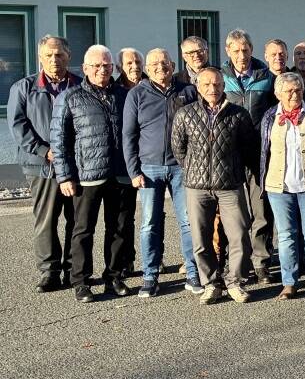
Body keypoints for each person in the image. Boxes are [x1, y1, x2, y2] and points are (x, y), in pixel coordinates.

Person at [49, 45, 132, 303]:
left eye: (106, 66)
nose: (102, 70)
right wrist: (64, 176)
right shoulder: (71, 97)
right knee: (83, 230)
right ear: (85, 68)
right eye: (96, 66)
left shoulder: (124, 95)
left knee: (119, 229)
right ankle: (81, 281)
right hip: (87, 176)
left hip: (120, 174)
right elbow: (59, 140)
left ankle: (114, 277)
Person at [170, 67, 258, 305]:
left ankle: (235, 282)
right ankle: (211, 283)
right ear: (198, 86)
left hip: (229, 184)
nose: (213, 89)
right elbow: (179, 149)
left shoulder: (238, 114)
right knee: (201, 238)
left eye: (217, 84)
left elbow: (249, 147)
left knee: (239, 234)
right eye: (207, 85)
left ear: (224, 86)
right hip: (197, 186)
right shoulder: (185, 114)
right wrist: (194, 169)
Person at [123, 48, 200, 297]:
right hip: (149, 168)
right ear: (147, 67)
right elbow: (129, 135)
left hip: (182, 167)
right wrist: (134, 170)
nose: (160, 67)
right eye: (154, 63)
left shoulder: (187, 91)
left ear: (172, 64)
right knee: (149, 224)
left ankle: (193, 273)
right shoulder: (137, 94)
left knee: (188, 222)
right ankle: (150, 275)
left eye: (165, 63)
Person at [8, 35, 81, 291]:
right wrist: (44, 150)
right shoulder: (24, 87)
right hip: (41, 164)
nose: (54, 60)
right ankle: (49, 271)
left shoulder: (80, 86)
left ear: (68, 56)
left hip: (75, 166)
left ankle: (74, 270)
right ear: (40, 57)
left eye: (59, 54)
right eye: (49, 55)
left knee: (76, 219)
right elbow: (18, 126)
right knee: (46, 219)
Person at [260, 72, 305, 300]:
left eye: (298, 90)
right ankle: (289, 283)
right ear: (278, 93)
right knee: (286, 235)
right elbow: (263, 151)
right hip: (279, 187)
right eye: (289, 91)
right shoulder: (270, 116)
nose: (294, 94)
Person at [222, 28, 277, 282]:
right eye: (236, 51)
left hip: (259, 153)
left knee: (261, 210)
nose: (241, 55)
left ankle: (261, 261)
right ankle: (239, 263)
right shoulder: (220, 77)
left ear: (252, 50)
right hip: (230, 154)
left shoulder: (266, 76)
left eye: (245, 50)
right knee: (235, 212)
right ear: (228, 51)